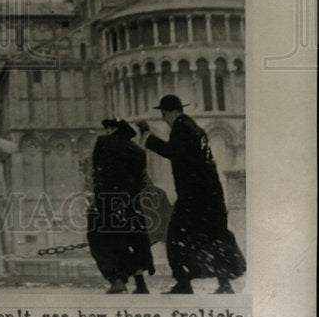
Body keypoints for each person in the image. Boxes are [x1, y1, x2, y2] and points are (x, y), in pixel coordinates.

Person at [139, 94, 246, 294]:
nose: (163, 119)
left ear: (171, 112)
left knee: (176, 237)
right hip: (210, 195)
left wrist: (148, 138)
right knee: (214, 237)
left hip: (194, 196)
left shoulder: (182, 129)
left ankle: (184, 282)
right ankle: (224, 282)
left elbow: (173, 152)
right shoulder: (196, 129)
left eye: (163, 114)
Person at [87, 119, 155, 294]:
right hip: (131, 203)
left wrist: (94, 199)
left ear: (113, 129)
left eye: (108, 128)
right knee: (132, 240)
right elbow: (142, 181)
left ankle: (117, 280)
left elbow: (96, 172)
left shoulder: (103, 142)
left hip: (106, 201)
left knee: (101, 240)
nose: (106, 131)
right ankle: (140, 284)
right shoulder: (138, 151)